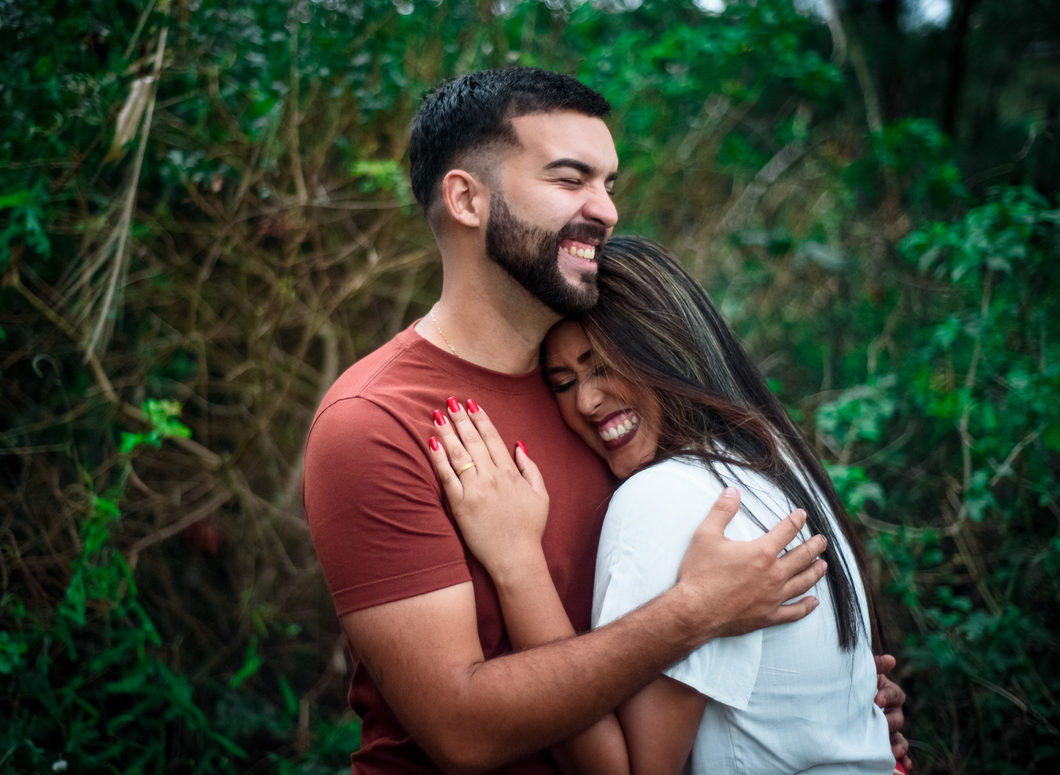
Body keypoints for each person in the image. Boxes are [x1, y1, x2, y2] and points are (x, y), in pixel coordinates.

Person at [302, 68, 907, 775]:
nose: (607, 209)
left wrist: (817, 705)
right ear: (467, 198)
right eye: (570, 179)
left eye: (609, 183)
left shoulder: (616, 394)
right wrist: (696, 613)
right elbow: (462, 730)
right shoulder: (375, 422)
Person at [426, 235, 909, 774]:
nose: (586, 400)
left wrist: (517, 561)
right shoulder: (775, 459)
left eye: (603, 364)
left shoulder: (664, 497)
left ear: (665, 347)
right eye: (563, 383)